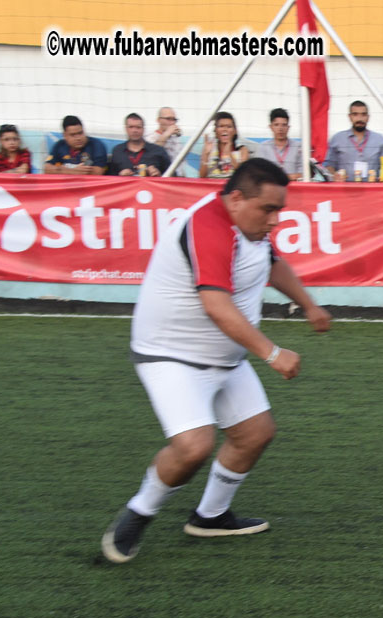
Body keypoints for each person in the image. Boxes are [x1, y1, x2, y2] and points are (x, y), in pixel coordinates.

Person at [100, 158, 332, 565]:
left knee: (256, 434)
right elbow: (215, 305)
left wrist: (309, 305)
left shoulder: (251, 227)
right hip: (170, 356)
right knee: (194, 447)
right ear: (237, 198)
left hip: (224, 357)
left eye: (280, 209)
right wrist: (272, 354)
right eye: (269, 209)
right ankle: (138, 512)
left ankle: (209, 516)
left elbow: (272, 264)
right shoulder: (207, 225)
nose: (276, 219)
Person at [324, 100, 383, 182]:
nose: (360, 119)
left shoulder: (380, 140)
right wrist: (334, 176)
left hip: (372, 190)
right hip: (345, 189)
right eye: (355, 114)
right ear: (350, 117)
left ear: (368, 117)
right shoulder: (337, 139)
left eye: (363, 115)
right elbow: (329, 165)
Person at [107, 113, 171, 177]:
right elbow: (110, 178)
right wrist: (120, 176)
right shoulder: (118, 150)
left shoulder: (158, 150)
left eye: (138, 127)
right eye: (131, 127)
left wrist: (158, 175)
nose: (134, 130)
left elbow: (172, 176)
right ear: (126, 129)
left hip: (149, 187)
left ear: (143, 129)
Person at [43, 115, 108, 175]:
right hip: (65, 185)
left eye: (80, 133)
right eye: (73, 135)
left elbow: (99, 171)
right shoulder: (59, 145)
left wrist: (61, 169)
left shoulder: (96, 145)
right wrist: (73, 171)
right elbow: (47, 169)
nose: (78, 138)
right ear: (65, 135)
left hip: (88, 185)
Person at [251, 108, 303, 180]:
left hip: (294, 189)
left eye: (284, 125)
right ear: (271, 127)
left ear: (288, 127)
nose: (280, 128)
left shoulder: (298, 146)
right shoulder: (263, 147)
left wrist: (279, 177)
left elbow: (304, 174)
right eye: (276, 125)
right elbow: (258, 173)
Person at [199, 112, 250, 179]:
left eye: (229, 127)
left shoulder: (242, 150)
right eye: (221, 126)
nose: (225, 129)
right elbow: (202, 176)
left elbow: (243, 174)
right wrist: (206, 155)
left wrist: (229, 154)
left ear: (235, 131)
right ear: (215, 130)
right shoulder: (209, 148)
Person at [148, 107, 185, 174]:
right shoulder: (150, 137)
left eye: (174, 119)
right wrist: (166, 134)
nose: (172, 122)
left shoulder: (176, 140)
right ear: (158, 120)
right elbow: (152, 153)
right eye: (168, 119)